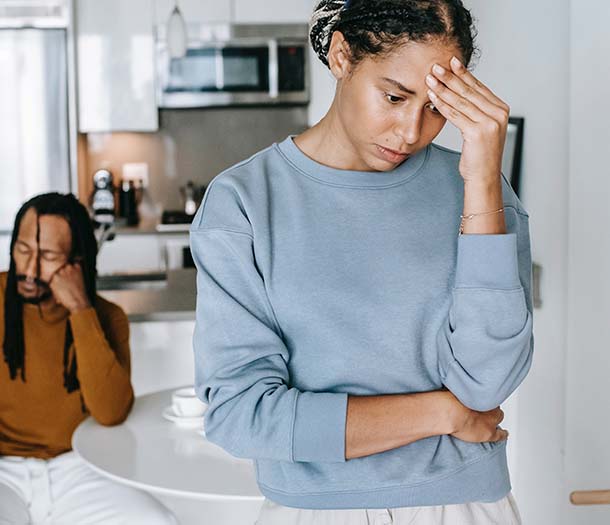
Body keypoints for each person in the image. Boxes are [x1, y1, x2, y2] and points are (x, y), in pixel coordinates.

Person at [190, 0, 533, 523]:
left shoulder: (478, 192)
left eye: (438, 108)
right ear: (342, 56)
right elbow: (242, 416)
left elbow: (486, 384)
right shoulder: (244, 203)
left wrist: (483, 178)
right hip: (314, 511)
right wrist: (443, 413)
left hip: (465, 505)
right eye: (394, 96)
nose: (411, 132)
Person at [0, 193, 176, 524]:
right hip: (4, 471)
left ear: (77, 261)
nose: (30, 268)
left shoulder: (108, 318)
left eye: (48, 255)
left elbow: (111, 413)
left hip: (81, 465)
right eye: (23, 250)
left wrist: (81, 311)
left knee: (157, 521)